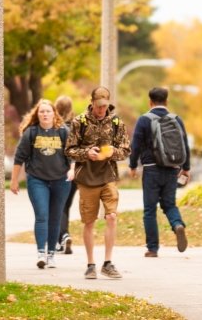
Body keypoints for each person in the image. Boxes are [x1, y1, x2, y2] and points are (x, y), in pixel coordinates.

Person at [65, 86, 130, 280]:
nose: (101, 110)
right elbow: (69, 149)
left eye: (104, 106)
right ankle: (90, 264)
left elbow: (126, 149)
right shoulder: (80, 122)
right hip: (86, 178)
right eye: (98, 106)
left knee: (111, 217)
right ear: (92, 102)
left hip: (108, 176)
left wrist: (113, 152)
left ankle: (108, 263)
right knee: (89, 222)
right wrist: (87, 153)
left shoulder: (117, 122)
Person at [10, 98, 74, 270]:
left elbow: (72, 154)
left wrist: (72, 169)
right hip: (37, 180)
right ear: (37, 115)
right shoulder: (31, 133)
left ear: (54, 114)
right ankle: (41, 253)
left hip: (60, 180)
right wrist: (14, 180)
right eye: (42, 111)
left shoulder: (63, 131)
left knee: (55, 218)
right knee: (42, 215)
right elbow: (19, 158)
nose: (45, 114)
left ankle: (51, 254)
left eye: (48, 111)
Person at [128, 87, 191, 257]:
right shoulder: (176, 119)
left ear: (150, 102)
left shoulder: (144, 120)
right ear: (167, 101)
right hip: (172, 169)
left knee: (150, 209)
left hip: (151, 170)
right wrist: (186, 168)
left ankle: (152, 248)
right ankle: (177, 224)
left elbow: (135, 145)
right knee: (169, 204)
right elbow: (184, 145)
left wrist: (132, 165)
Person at [54, 95, 78, 255]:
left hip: (58, 172)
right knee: (65, 206)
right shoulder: (77, 126)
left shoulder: (55, 127)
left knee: (58, 207)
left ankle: (63, 236)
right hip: (75, 172)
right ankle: (63, 238)